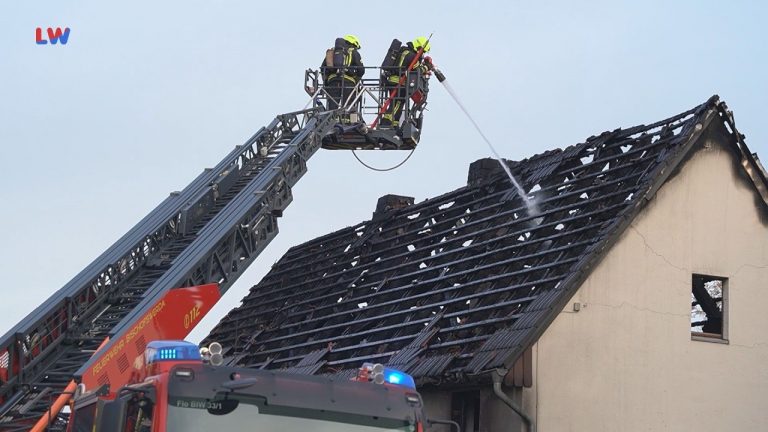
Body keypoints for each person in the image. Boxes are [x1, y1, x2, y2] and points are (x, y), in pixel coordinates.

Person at [380, 36, 431, 128]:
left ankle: (394, 124)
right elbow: (416, 71)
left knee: (398, 104)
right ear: (419, 47)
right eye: (423, 51)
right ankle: (387, 123)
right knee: (397, 103)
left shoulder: (404, 51)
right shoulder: (412, 55)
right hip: (399, 82)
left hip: (393, 80)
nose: (422, 54)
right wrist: (427, 67)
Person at [320, 35, 364, 111]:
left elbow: (323, 68)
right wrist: (356, 80)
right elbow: (361, 70)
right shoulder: (353, 52)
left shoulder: (332, 52)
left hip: (333, 82)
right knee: (348, 106)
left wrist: (327, 83)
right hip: (348, 83)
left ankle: (331, 120)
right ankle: (347, 121)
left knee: (332, 107)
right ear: (353, 44)